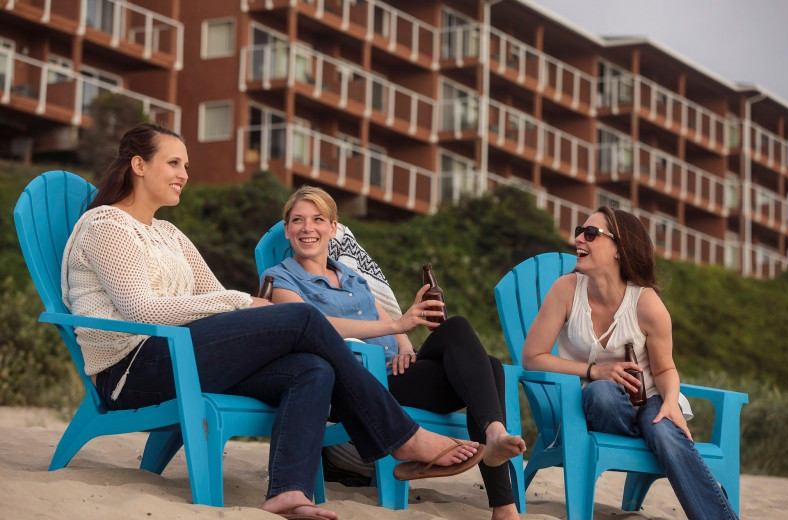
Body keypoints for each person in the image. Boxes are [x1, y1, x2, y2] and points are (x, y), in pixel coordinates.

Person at [60, 123, 484, 520]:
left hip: (184, 354)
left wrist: (242, 306)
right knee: (301, 316)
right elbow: (142, 310)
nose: (184, 174)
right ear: (139, 165)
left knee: (310, 368)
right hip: (132, 368)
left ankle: (288, 490)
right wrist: (244, 302)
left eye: (186, 165)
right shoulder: (106, 225)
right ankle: (403, 438)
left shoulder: (170, 235)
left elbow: (214, 296)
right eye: (174, 163)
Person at [264, 186, 526, 520]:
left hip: (398, 370)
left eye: (317, 219)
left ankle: (495, 440)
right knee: (489, 366)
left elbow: (389, 323)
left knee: (477, 351)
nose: (307, 228)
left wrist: (404, 346)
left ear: (332, 228)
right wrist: (397, 328)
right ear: (286, 229)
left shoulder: (351, 276)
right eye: (297, 220)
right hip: (361, 382)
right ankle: (503, 499)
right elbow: (313, 326)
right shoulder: (279, 279)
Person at [520, 206, 738, 520]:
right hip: (599, 407)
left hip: (649, 401)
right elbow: (532, 357)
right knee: (601, 393)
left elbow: (664, 369)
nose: (579, 238)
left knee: (663, 429)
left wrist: (672, 403)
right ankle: (649, 429)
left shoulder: (647, 304)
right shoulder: (566, 291)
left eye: (591, 233)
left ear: (620, 250)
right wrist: (595, 372)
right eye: (581, 230)